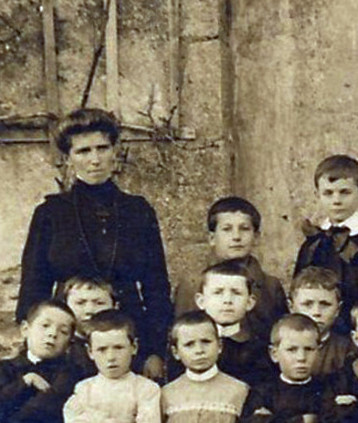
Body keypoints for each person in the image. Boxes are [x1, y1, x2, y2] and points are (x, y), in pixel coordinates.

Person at [18, 108, 172, 378]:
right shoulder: (51, 213)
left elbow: (156, 286)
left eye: (102, 148)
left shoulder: (138, 210)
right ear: (68, 158)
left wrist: (154, 350)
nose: (95, 159)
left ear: (115, 151)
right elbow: (33, 286)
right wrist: (34, 353)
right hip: (67, 340)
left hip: (127, 338)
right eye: (83, 151)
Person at [171, 196, 287, 338]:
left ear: (256, 237)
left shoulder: (270, 286)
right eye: (227, 229)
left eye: (244, 229)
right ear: (212, 238)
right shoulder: (192, 285)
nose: (236, 237)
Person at [293, 154, 358, 319]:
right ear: (317, 195)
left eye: (345, 192)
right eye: (328, 193)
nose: (336, 200)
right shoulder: (314, 243)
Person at [194, 259, 269, 386]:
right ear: (201, 301)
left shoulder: (258, 347)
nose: (227, 300)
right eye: (218, 293)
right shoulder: (191, 343)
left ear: (249, 302)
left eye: (236, 293)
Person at [289, 266, 355, 378]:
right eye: (307, 304)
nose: (316, 312)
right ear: (291, 307)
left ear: (338, 309)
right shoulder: (281, 347)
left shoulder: (348, 350)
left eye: (325, 304)